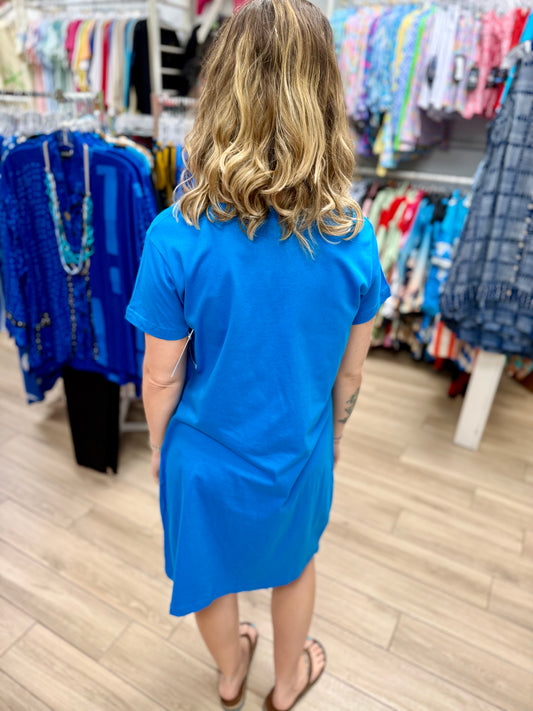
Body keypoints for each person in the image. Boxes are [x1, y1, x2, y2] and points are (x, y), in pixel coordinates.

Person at [126, 0, 390, 709]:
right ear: (324, 100)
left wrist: (160, 446)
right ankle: (287, 681)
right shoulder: (354, 237)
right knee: (293, 565)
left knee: (208, 573)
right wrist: (334, 437)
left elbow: (159, 374)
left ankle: (229, 673)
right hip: (297, 447)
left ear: (221, 94)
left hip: (202, 452)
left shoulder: (174, 235)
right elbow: (351, 372)